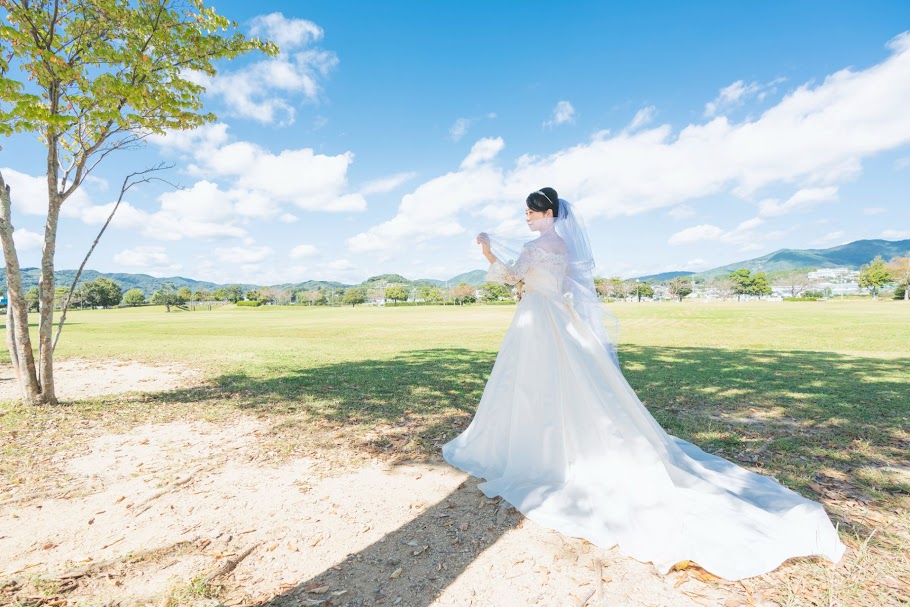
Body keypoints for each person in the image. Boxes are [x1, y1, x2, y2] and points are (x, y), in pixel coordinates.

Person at [442, 187, 844, 581]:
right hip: (558, 318)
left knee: (531, 383)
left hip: (537, 320)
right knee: (572, 384)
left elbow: (511, 277)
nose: (526, 219)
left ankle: (537, 447)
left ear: (547, 213)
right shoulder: (565, 248)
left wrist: (488, 252)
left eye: (530, 213)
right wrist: (532, 287)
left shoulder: (534, 248)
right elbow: (562, 287)